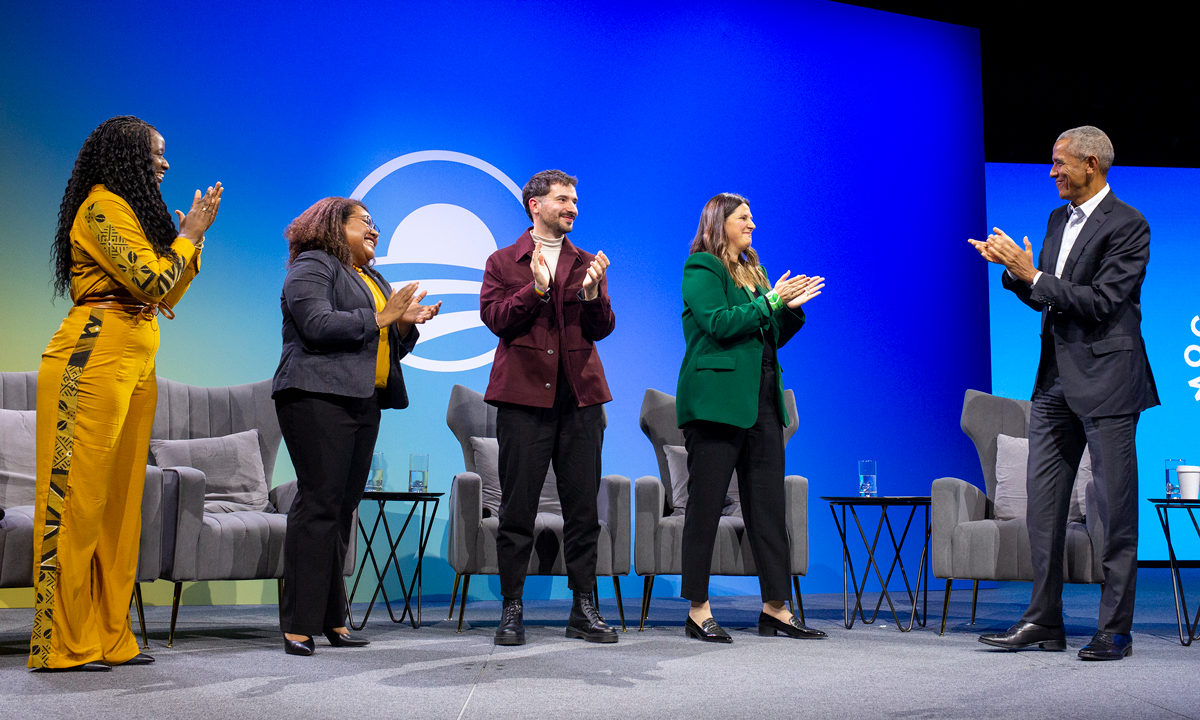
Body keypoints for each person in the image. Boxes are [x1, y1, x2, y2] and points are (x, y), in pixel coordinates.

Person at [29, 116, 222, 671]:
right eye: (156, 154)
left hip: (138, 355)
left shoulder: (131, 213)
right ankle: (61, 642)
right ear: (126, 157)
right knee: (77, 504)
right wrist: (184, 241)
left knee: (119, 510)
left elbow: (168, 292)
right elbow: (152, 281)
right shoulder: (100, 208)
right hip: (91, 354)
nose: (164, 164)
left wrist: (192, 241)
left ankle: (111, 635)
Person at [970, 126, 1158, 661]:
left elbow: (1101, 302)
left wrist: (1033, 274)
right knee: (1042, 508)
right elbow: (1049, 299)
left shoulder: (1129, 224)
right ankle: (1043, 621)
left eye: (1060, 163)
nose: (1052, 172)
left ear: (1092, 164)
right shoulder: (1057, 220)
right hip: (1053, 383)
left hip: (1109, 384)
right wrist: (1015, 273)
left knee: (1114, 509)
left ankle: (1114, 629)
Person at [272, 197, 440, 656]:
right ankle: (299, 623)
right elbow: (316, 324)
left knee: (342, 508)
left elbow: (381, 349)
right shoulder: (313, 264)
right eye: (365, 222)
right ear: (332, 225)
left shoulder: (373, 279)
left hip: (363, 400)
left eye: (375, 224)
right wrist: (382, 317)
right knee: (319, 504)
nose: (374, 231)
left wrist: (402, 328)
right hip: (315, 396)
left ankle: (332, 619)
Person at [676, 193, 827, 643]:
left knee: (767, 507)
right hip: (716, 404)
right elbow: (719, 323)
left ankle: (775, 607)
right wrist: (772, 301)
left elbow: (769, 333)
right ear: (720, 222)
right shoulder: (702, 267)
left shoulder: (753, 270)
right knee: (704, 508)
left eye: (753, 218)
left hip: (762, 400)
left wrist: (789, 309)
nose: (753, 225)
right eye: (744, 218)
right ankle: (698, 609)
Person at [479, 170, 617, 646]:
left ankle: (584, 608)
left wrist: (595, 295)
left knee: (583, 510)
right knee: (517, 510)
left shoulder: (585, 262)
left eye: (575, 200)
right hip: (523, 402)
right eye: (563, 199)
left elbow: (602, 329)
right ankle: (511, 609)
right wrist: (535, 289)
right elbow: (496, 319)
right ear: (535, 205)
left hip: (580, 400)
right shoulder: (503, 261)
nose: (573, 207)